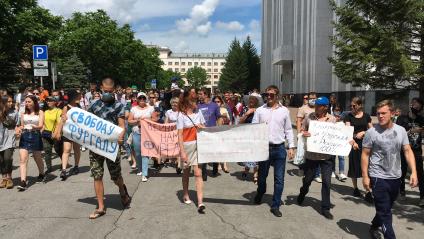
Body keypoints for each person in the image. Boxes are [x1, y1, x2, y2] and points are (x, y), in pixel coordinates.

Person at [362, 100, 418, 239]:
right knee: (386, 213)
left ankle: (374, 225)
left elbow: (407, 151)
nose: (380, 116)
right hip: (377, 177)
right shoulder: (371, 132)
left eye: (383, 113)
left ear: (392, 113)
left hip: (395, 177)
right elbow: (365, 154)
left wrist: (414, 172)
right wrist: (365, 176)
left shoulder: (400, 131)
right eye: (378, 113)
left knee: (385, 208)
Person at [85, 77, 131, 219]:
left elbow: (122, 126)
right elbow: (86, 121)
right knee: (97, 175)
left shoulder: (119, 106)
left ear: (114, 91)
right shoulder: (94, 105)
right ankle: (100, 207)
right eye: (105, 91)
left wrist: (120, 136)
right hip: (96, 146)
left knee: (115, 176)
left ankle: (122, 190)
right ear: (101, 88)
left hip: (112, 146)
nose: (107, 94)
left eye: (110, 92)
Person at [253, 85, 295, 217]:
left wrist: (292, 146)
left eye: (271, 95)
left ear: (277, 96)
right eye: (267, 94)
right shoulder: (260, 110)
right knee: (261, 177)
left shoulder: (284, 111)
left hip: (279, 148)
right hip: (264, 148)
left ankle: (275, 205)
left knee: (279, 179)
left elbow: (288, 129)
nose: (269, 97)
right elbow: (254, 128)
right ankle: (261, 192)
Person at [296, 97, 337, 219]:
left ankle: (325, 208)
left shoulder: (333, 120)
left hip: (326, 157)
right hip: (312, 156)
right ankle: (303, 192)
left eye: (318, 105)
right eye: (315, 105)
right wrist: (304, 133)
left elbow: (337, 136)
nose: (316, 107)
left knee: (327, 183)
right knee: (308, 179)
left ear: (325, 107)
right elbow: (302, 130)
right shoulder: (309, 117)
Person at [177, 90, 206, 213]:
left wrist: (201, 127)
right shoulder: (181, 116)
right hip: (187, 147)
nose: (196, 103)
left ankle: (200, 202)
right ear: (187, 102)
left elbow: (205, 129)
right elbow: (179, 135)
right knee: (186, 173)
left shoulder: (199, 113)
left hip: (198, 146)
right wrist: (182, 152)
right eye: (193, 101)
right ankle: (185, 193)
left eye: (196, 101)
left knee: (198, 174)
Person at [344, 97, 373, 202]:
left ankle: (368, 191)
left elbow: (372, 130)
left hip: (366, 144)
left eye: (354, 105)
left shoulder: (366, 116)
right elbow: (347, 132)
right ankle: (355, 188)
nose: (352, 107)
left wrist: (364, 133)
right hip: (354, 144)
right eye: (351, 106)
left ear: (360, 105)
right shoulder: (348, 116)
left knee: (367, 168)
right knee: (354, 166)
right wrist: (354, 141)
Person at [396, 98, 424, 206]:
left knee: (420, 173)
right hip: (403, 150)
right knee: (401, 172)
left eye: (420, 107)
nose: (417, 108)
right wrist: (411, 131)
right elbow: (397, 135)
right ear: (411, 105)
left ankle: (422, 196)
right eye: (416, 106)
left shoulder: (421, 119)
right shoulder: (402, 119)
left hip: (416, 150)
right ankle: (401, 191)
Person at [17, 95, 45, 191]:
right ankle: (23, 181)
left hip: (35, 135)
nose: (27, 103)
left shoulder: (40, 112)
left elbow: (41, 125)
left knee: (38, 158)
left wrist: (35, 127)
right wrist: (19, 129)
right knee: (23, 159)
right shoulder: (23, 112)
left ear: (34, 102)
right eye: (26, 102)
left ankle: (42, 173)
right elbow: (22, 125)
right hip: (25, 136)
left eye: (29, 101)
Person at [55, 90, 82, 180]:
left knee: (77, 149)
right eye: (78, 96)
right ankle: (64, 170)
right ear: (73, 97)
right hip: (68, 132)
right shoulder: (66, 107)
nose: (79, 97)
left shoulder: (79, 106)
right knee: (66, 149)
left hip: (77, 132)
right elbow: (62, 120)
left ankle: (76, 166)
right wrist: (58, 131)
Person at [128, 95, 154, 182]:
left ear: (146, 99)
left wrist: (147, 119)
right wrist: (137, 120)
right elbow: (129, 121)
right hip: (136, 132)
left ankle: (144, 173)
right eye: (140, 98)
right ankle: (140, 168)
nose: (142, 100)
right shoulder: (134, 109)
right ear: (138, 100)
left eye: (143, 98)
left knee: (145, 152)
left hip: (147, 133)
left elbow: (155, 119)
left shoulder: (150, 108)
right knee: (138, 152)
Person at [296, 92, 320, 181]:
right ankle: (302, 168)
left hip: (316, 136)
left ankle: (316, 174)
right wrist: (299, 133)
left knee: (316, 154)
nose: (312, 100)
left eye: (314, 98)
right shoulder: (303, 109)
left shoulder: (319, 108)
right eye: (311, 98)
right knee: (304, 153)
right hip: (305, 134)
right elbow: (299, 121)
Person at [198, 88, 221, 179]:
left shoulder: (214, 105)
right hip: (202, 132)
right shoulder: (198, 106)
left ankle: (215, 168)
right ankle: (204, 173)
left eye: (200, 94)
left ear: (206, 95)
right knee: (203, 152)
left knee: (213, 151)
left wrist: (219, 128)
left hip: (213, 131)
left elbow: (219, 117)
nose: (199, 96)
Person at [239, 96, 260, 184]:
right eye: (250, 101)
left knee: (256, 156)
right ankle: (247, 169)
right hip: (247, 135)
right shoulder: (245, 110)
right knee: (248, 154)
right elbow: (240, 121)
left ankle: (255, 175)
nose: (251, 103)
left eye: (253, 101)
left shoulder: (259, 111)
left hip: (256, 136)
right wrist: (247, 113)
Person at [0, 95, 18, 189]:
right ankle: (4, 179)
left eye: (12, 101)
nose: (11, 103)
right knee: (1, 160)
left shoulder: (15, 112)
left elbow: (18, 125)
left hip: (10, 139)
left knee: (7, 158)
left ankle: (9, 178)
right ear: (3, 102)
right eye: (8, 101)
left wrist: (18, 130)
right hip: (0, 139)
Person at [42, 96, 63, 173]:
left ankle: (63, 162)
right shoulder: (45, 112)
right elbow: (43, 123)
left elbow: (59, 123)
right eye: (47, 101)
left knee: (58, 150)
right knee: (47, 151)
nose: (48, 102)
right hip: (46, 134)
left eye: (50, 101)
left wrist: (56, 133)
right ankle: (49, 168)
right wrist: (42, 130)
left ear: (55, 102)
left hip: (55, 133)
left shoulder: (58, 111)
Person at [164, 97, 182, 174]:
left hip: (180, 131)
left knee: (179, 147)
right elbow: (166, 122)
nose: (174, 104)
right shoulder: (168, 112)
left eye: (176, 102)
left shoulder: (181, 112)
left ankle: (179, 164)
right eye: (173, 102)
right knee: (173, 147)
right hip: (171, 132)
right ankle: (175, 161)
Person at [332, 103, 347, 181]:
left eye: (339, 110)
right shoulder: (330, 118)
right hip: (332, 141)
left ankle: (341, 172)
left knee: (341, 157)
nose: (337, 111)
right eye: (336, 110)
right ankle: (333, 171)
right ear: (333, 110)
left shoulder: (344, 118)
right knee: (333, 157)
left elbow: (347, 128)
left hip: (341, 141)